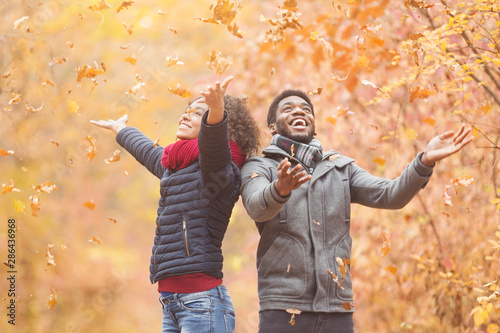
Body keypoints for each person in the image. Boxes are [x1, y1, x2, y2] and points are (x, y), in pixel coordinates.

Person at [239, 89, 473, 333]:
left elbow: (390, 194)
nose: (299, 111)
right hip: (283, 310)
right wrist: (279, 189)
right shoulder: (260, 166)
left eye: (306, 110)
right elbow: (256, 208)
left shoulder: (340, 169)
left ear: (314, 127)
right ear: (273, 127)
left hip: (338, 310)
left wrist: (424, 161)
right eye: (287, 109)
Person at [90, 76, 260, 333]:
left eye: (197, 114)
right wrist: (122, 130)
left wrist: (215, 111)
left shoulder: (219, 170)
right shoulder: (179, 167)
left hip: (202, 302)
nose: (186, 116)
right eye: (186, 112)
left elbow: (214, 148)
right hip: (172, 303)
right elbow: (151, 153)